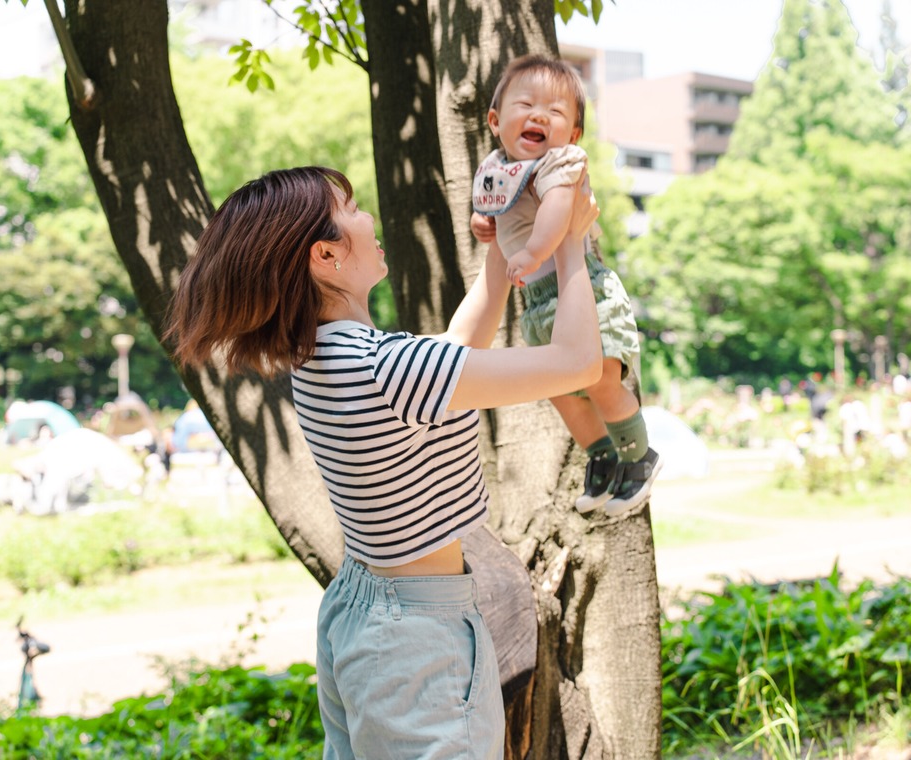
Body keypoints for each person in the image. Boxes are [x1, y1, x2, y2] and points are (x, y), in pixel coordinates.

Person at [164, 165, 600, 758]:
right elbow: (578, 362)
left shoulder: (320, 358)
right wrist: (572, 240)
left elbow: (452, 356)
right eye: (350, 208)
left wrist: (501, 251)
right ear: (326, 255)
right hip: (418, 637)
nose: (366, 217)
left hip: (364, 613)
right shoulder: (387, 367)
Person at [471, 54, 661, 517]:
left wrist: (534, 249)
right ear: (496, 121)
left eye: (556, 113)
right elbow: (498, 209)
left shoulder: (560, 163)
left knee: (599, 379)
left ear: (572, 134)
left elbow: (558, 210)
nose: (539, 115)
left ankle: (639, 457)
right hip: (537, 301)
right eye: (526, 105)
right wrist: (485, 221)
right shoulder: (497, 167)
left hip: (585, 291)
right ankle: (602, 453)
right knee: (557, 387)